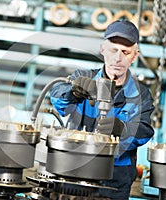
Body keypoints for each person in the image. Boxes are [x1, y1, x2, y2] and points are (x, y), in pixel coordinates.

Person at [50, 20, 155, 199]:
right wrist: (73, 92)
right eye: (113, 50)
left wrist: (122, 128)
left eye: (125, 52)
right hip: (74, 172)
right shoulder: (83, 77)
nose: (118, 58)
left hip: (115, 180)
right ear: (102, 49)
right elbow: (57, 98)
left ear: (135, 56)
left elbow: (145, 131)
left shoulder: (141, 94)